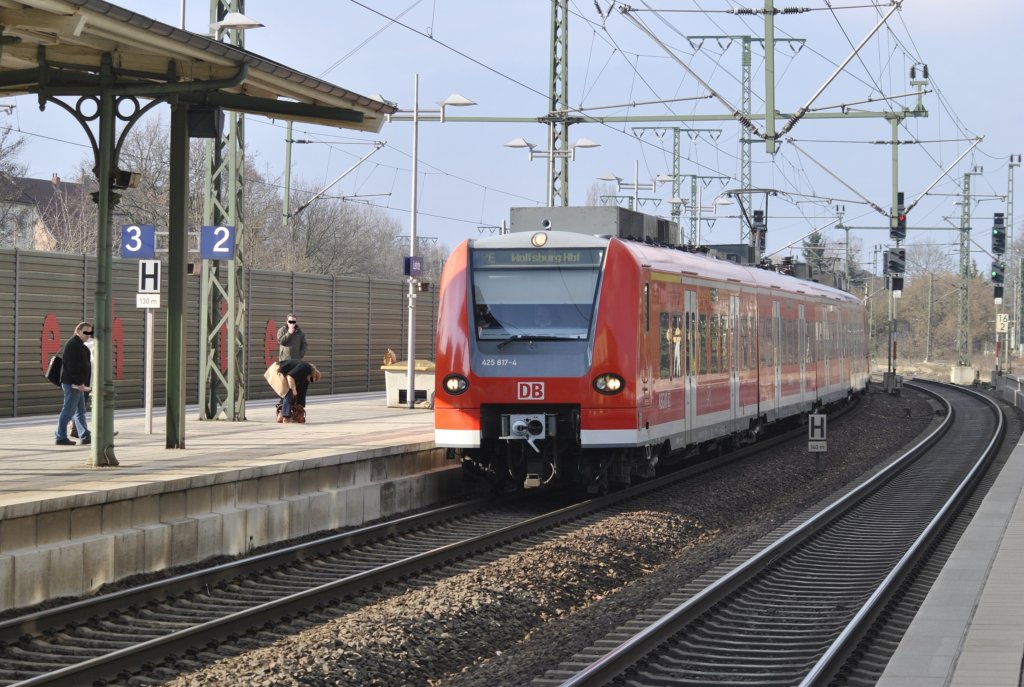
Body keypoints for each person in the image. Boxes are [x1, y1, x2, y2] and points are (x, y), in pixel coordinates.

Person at [55, 322, 92, 446]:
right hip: (73, 384)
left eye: (90, 332)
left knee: (80, 411)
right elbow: (73, 367)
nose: (88, 334)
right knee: (68, 411)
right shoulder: (73, 345)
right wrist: (79, 382)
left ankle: (85, 435)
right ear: (77, 331)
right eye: (85, 332)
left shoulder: (79, 345)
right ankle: (60, 436)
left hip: (77, 384)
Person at [276, 359, 321, 423]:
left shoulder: (306, 376)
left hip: (283, 374)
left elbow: (303, 391)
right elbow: (290, 376)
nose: (310, 381)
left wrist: (301, 405)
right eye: (311, 379)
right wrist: (294, 389)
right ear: (312, 374)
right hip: (277, 370)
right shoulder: (305, 367)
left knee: (291, 392)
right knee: (289, 393)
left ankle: (282, 415)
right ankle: (285, 417)